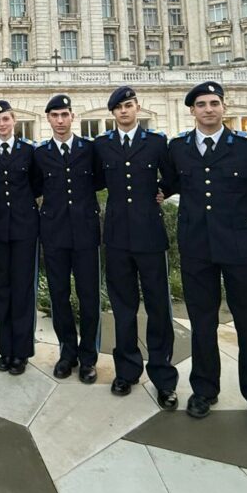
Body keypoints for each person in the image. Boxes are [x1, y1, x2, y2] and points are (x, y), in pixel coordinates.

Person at [164, 81, 247, 435]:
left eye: (214, 103)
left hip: (241, 247)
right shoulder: (178, 148)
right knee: (202, 322)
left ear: (223, 107)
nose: (208, 109)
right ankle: (204, 390)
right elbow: (169, 185)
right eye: (201, 104)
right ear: (192, 111)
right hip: (197, 247)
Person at [93, 86, 179, 408]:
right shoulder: (102, 144)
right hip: (117, 236)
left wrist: (163, 191)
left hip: (149, 235)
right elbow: (95, 180)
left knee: (158, 308)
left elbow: (172, 176)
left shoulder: (155, 142)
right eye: (119, 107)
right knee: (123, 307)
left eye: (129, 105)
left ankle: (164, 378)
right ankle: (126, 371)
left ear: (137, 108)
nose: (124, 111)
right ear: (113, 113)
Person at [32, 94, 101, 384]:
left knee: (89, 297)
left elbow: (101, 180)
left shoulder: (90, 149)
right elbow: (35, 187)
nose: (60, 120)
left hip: (85, 234)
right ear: (48, 119)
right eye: (55, 115)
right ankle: (67, 353)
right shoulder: (40, 153)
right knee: (59, 296)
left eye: (64, 114)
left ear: (73, 116)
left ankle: (88, 358)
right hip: (54, 233)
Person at [0, 100, 41, 376]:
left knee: (23, 290)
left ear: (14, 120)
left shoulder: (29, 151)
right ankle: (6, 350)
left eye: (6, 119)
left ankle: (22, 352)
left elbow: (37, 185)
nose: (2, 124)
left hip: (24, 229)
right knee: (2, 289)